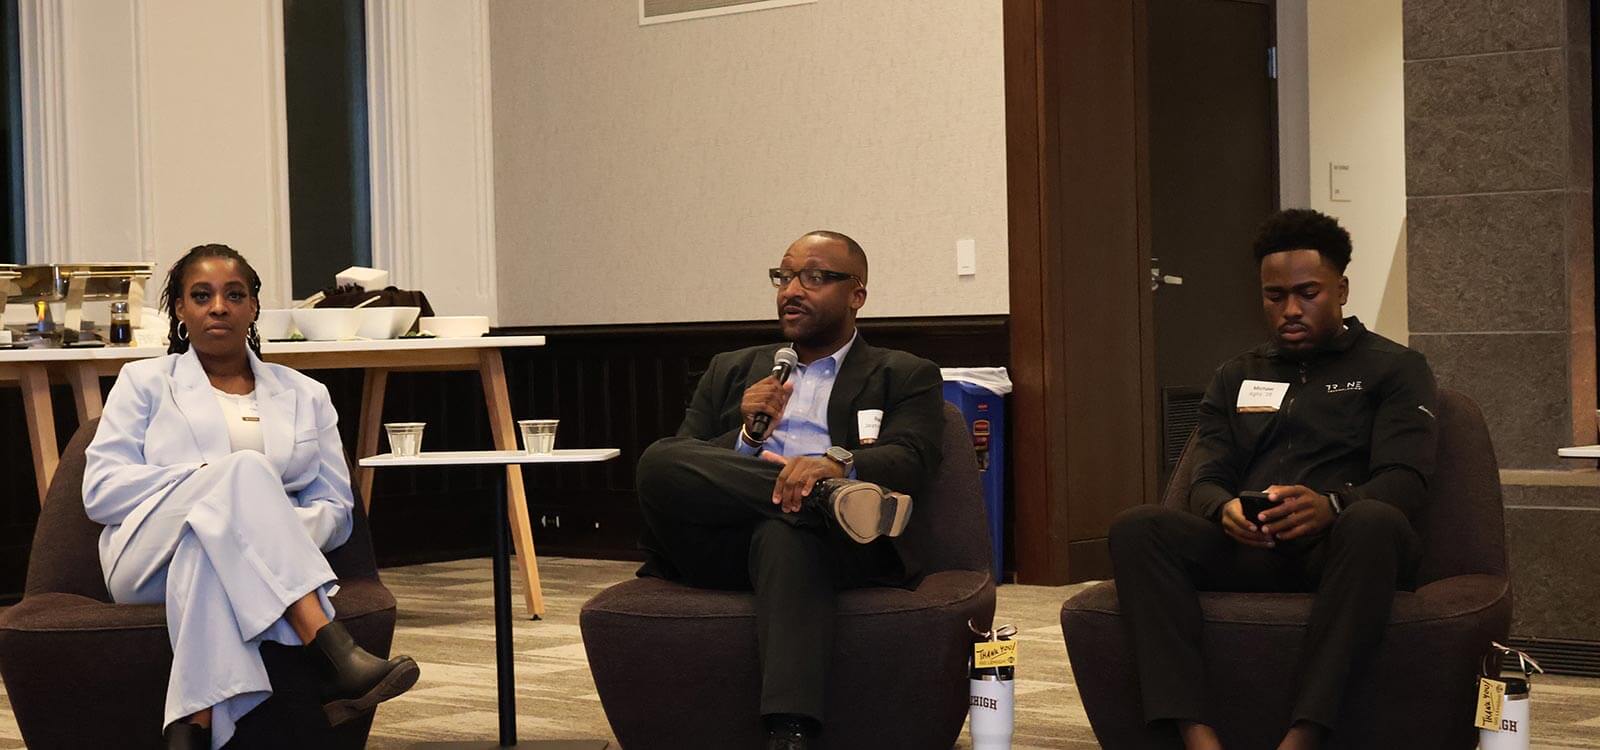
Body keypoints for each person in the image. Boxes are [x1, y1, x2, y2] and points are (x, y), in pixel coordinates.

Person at [1108, 209, 1437, 749]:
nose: (1289, 310)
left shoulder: (1395, 368)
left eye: (1308, 292)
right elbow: (1206, 473)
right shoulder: (1236, 374)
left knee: (1375, 521)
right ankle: (1195, 733)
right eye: (1274, 295)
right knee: (1137, 528)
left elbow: (1406, 480)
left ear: (1342, 289)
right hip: (1251, 544)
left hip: (1343, 547)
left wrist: (1331, 505)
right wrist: (1222, 509)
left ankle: (1304, 736)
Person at [83, 244, 421, 750]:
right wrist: (219, 487)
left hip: (232, 565)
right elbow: (101, 492)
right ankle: (328, 647)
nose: (218, 306)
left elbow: (336, 509)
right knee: (241, 475)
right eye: (201, 295)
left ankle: (191, 728)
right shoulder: (144, 383)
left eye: (233, 294)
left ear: (254, 307)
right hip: (145, 558)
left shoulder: (306, 394)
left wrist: (255, 532)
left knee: (212, 550)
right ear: (180, 309)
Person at [634, 230, 945, 749]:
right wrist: (746, 435)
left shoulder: (904, 373)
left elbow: (912, 458)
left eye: (815, 277)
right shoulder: (732, 369)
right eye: (784, 276)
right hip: (723, 537)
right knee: (657, 459)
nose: (791, 290)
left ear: (857, 294)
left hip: (825, 545)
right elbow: (683, 469)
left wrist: (834, 462)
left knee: (786, 532)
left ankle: (789, 732)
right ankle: (828, 503)